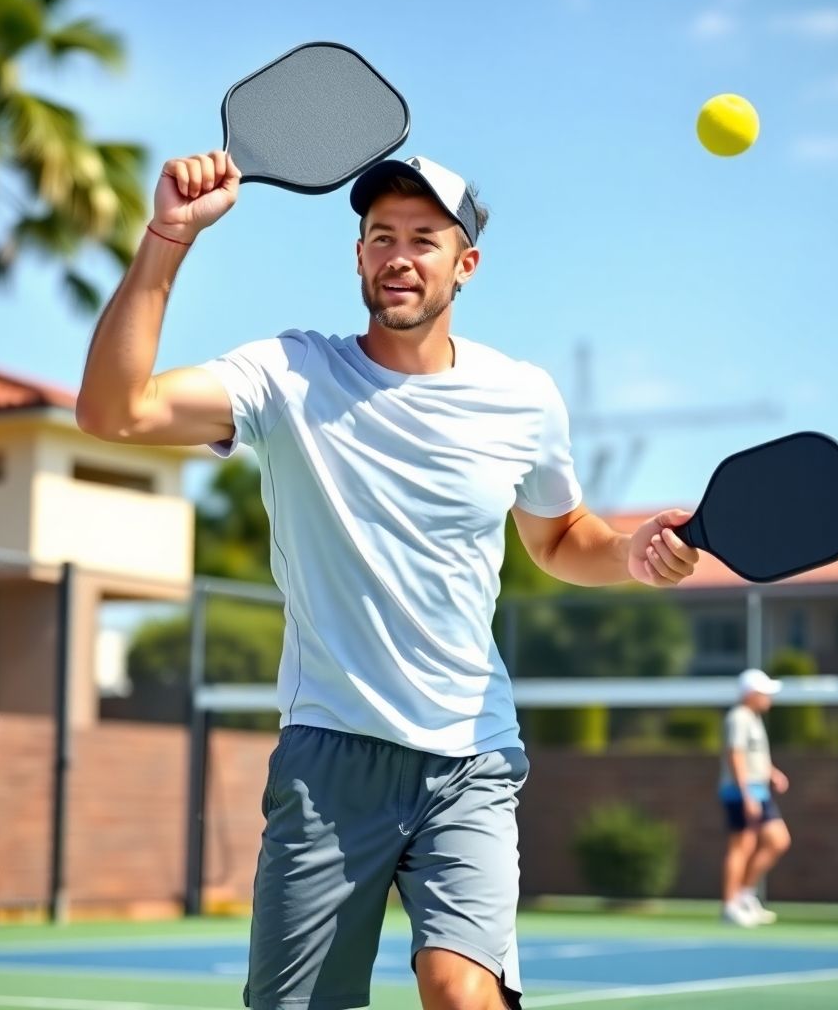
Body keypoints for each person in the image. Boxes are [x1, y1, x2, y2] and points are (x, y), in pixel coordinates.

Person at [77, 148, 700, 1010]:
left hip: (471, 756)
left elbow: (560, 539)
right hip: (330, 758)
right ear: (359, 255)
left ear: (465, 265)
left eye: (423, 239)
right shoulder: (287, 375)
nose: (398, 255)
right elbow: (115, 411)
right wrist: (167, 237)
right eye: (380, 236)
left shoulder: (523, 397)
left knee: (462, 993)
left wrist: (629, 552)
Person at [718, 667, 792, 927]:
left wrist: (772, 772)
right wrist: (746, 793)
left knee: (778, 840)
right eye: (764, 693)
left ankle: (745, 895)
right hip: (742, 792)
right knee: (742, 846)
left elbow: (754, 756)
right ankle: (730, 905)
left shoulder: (754, 718)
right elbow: (735, 755)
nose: (768, 698)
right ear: (750, 693)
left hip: (758, 790)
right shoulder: (738, 717)